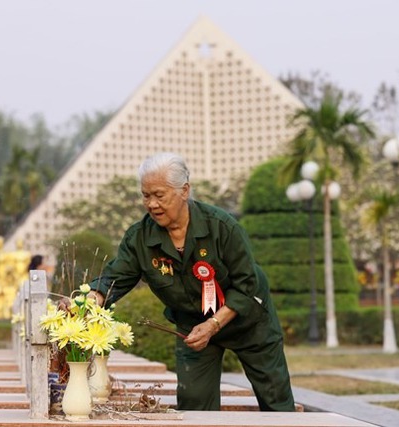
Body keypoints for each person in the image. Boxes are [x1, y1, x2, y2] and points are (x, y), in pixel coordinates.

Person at [87, 152, 295, 411]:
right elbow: (114, 278)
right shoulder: (140, 237)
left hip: (248, 320)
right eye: (145, 195)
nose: (151, 204)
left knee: (276, 400)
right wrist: (91, 299)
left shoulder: (222, 227)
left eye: (159, 195)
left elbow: (246, 285)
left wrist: (214, 324)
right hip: (193, 325)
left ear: (184, 190)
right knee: (194, 405)